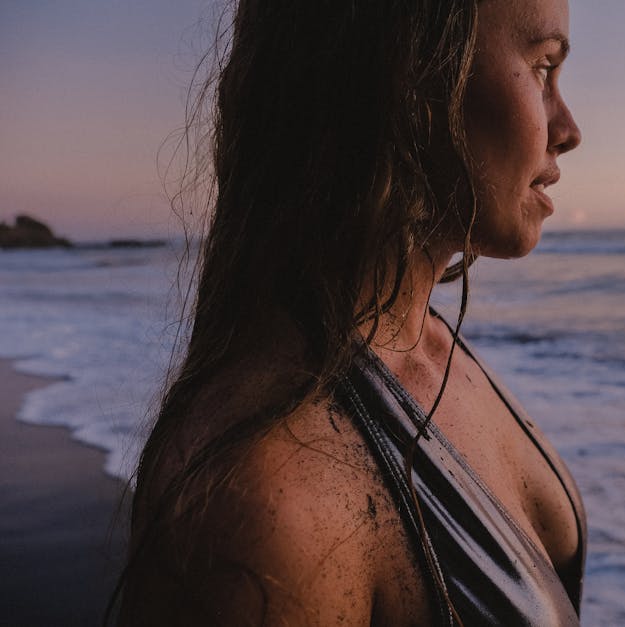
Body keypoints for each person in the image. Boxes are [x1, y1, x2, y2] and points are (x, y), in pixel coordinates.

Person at [115, 0, 583, 624]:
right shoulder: (273, 503)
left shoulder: (427, 344)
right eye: (543, 67)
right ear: (410, 76)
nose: (569, 127)